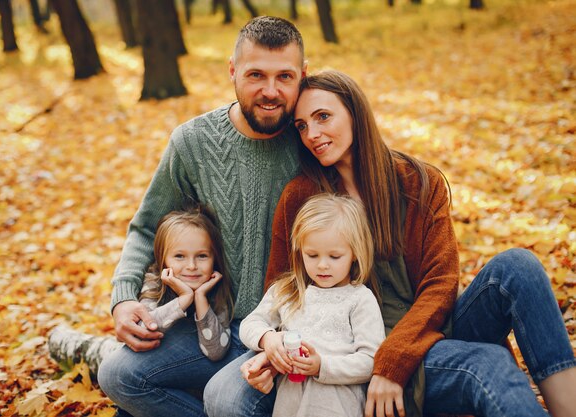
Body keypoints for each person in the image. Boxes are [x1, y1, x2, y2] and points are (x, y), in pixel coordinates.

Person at [205, 70, 576, 417]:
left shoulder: (417, 182)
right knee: (487, 363)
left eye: (323, 117)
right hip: (349, 351)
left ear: (355, 114)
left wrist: (393, 363)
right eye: (302, 126)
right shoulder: (301, 195)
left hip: (425, 335)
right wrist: (275, 348)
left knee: (518, 267)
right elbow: (285, 289)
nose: (311, 134)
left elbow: (441, 285)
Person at [97, 16, 307, 417]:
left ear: (303, 75)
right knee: (118, 376)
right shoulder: (192, 142)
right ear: (231, 71)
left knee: (227, 402)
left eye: (285, 76)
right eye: (255, 75)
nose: (270, 91)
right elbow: (146, 228)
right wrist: (123, 300)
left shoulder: (313, 139)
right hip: (208, 320)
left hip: (280, 330)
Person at [239, 194, 386, 417]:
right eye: (312, 255)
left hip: (337, 405)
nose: (323, 265)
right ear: (300, 250)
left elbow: (371, 360)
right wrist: (268, 339)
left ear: (355, 253)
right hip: (290, 405)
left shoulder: (359, 299)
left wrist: (322, 366)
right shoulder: (288, 290)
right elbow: (250, 323)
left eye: (335, 256)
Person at [136, 207, 233, 361]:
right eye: (180, 256)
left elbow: (216, 352)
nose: (192, 266)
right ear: (163, 258)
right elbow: (142, 330)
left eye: (202, 256)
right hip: (149, 360)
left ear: (214, 258)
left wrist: (200, 297)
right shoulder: (154, 281)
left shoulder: (217, 290)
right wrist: (184, 299)